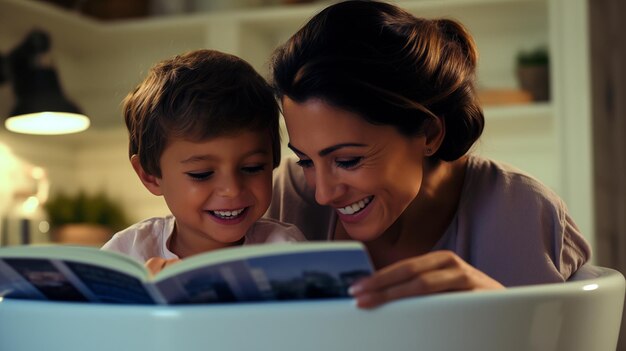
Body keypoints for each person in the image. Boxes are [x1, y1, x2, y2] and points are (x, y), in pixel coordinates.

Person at [266, 0, 591, 308]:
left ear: (430, 133)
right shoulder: (283, 200)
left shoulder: (520, 213)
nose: (323, 193)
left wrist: (499, 314)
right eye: (306, 161)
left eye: (348, 160)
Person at [102, 49, 305, 274]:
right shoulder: (126, 254)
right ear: (150, 176)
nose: (231, 189)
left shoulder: (285, 250)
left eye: (252, 168)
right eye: (202, 173)